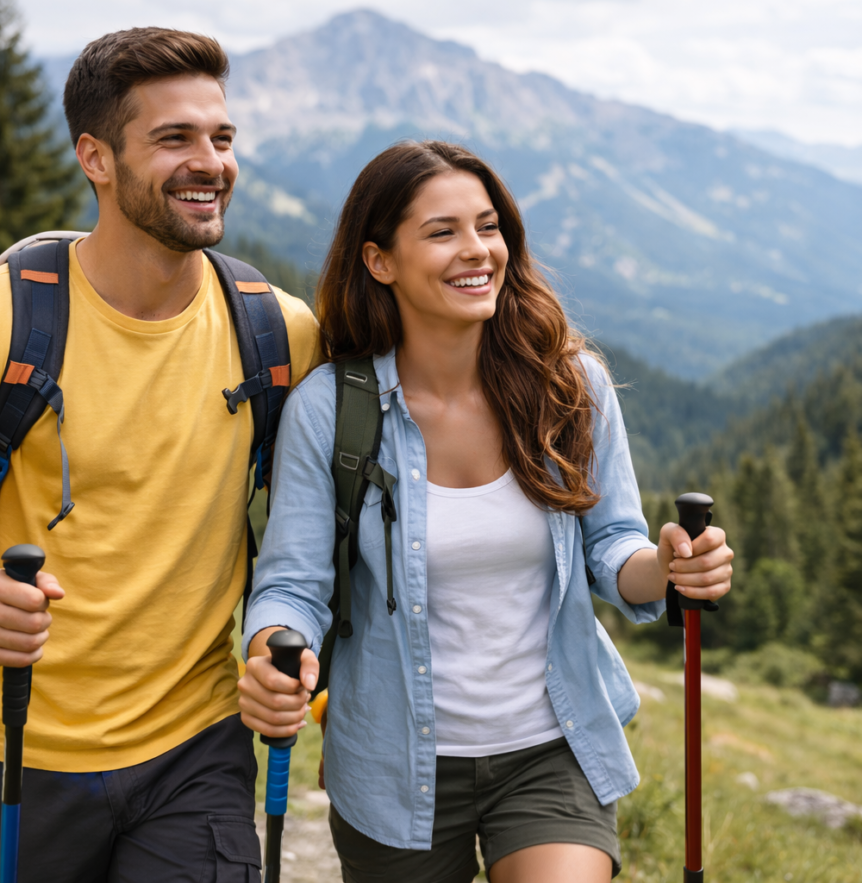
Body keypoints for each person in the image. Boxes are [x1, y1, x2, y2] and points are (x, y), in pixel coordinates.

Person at [0, 27, 319, 883]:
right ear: (96, 158)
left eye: (221, 138)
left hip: (195, 746)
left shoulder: (277, 330)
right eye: (174, 139)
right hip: (17, 741)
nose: (210, 161)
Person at [237, 140, 734, 883]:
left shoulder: (571, 387)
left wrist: (667, 567)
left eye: (489, 225)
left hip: (550, 748)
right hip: (389, 760)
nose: (478, 250)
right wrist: (274, 650)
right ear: (380, 260)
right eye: (442, 232)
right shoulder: (331, 410)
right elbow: (293, 584)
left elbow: (616, 548)